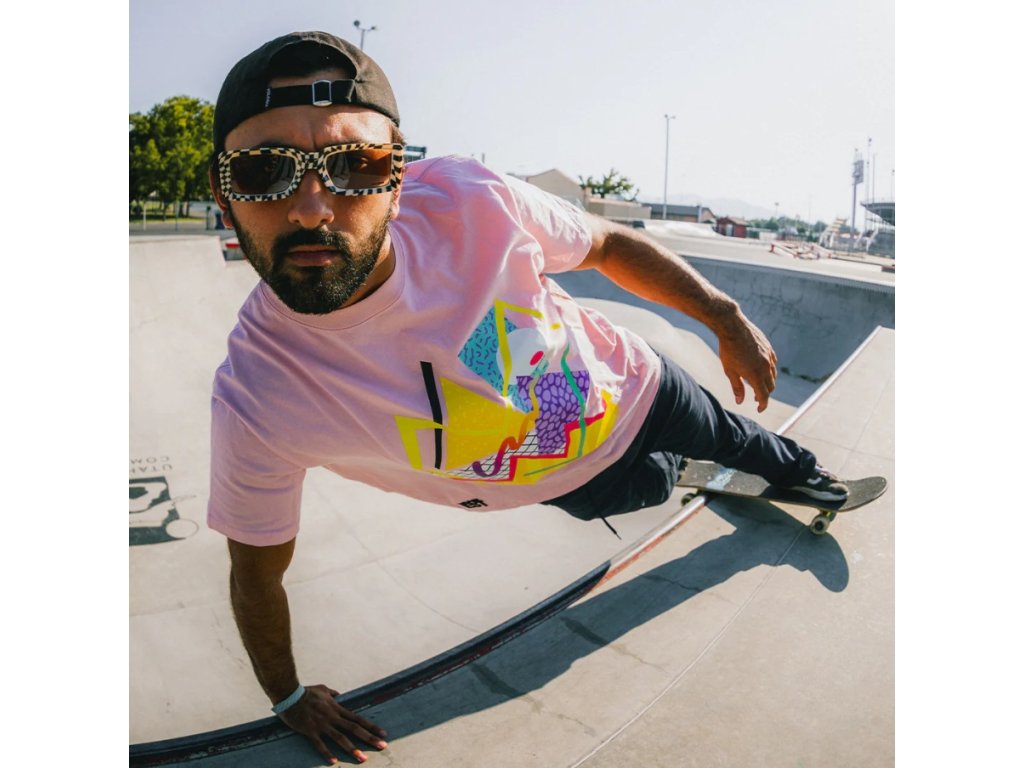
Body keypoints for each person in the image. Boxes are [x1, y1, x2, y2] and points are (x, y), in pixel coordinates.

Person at [206, 30, 849, 764]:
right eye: (264, 171)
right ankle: (678, 473)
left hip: (639, 383)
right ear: (224, 195)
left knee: (735, 436)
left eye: (355, 164)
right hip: (572, 480)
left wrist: (722, 316)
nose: (312, 208)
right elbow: (256, 573)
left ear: (399, 175)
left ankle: (803, 473)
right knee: (649, 485)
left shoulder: (469, 198)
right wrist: (288, 696)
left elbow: (605, 244)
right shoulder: (259, 396)